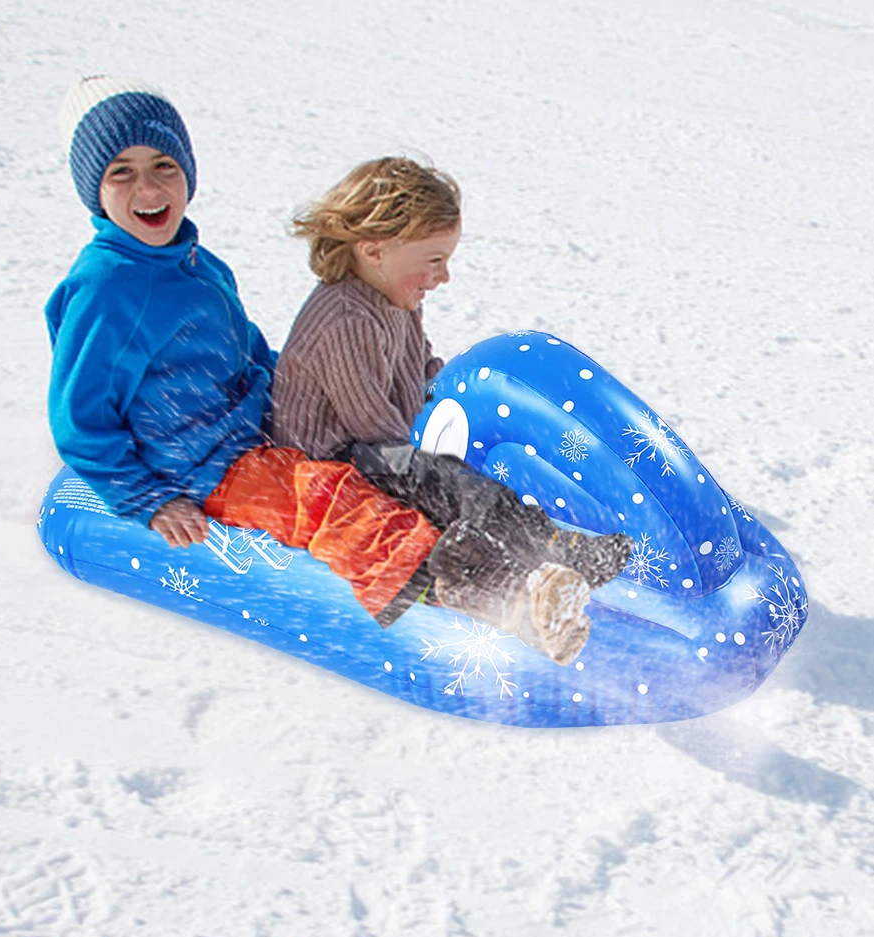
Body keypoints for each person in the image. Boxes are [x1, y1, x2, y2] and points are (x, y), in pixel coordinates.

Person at [44, 77, 589, 662]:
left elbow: (242, 347)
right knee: (333, 501)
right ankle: (500, 600)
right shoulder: (107, 287)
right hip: (199, 467)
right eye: (120, 172)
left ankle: (541, 556)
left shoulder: (196, 263)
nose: (148, 187)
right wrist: (149, 499)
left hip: (253, 438)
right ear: (92, 189)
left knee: (391, 475)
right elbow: (78, 418)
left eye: (163, 165)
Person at [272, 157, 635, 659]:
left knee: (461, 473)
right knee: (448, 483)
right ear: (375, 250)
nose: (443, 277)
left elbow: (422, 368)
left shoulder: (395, 296)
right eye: (433, 260)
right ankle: (516, 587)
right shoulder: (345, 318)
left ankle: (550, 551)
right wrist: (437, 463)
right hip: (330, 467)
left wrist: (457, 403)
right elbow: (373, 427)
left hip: (377, 446)